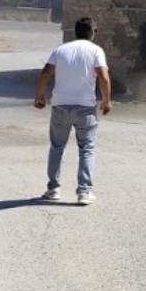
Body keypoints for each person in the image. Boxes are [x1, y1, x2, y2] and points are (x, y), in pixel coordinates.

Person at [35, 17, 112, 205]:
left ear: (75, 32)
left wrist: (40, 96)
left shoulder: (60, 50)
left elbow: (45, 73)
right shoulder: (96, 51)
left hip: (60, 106)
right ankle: (84, 192)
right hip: (85, 108)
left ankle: (53, 189)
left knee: (57, 147)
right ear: (93, 32)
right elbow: (103, 77)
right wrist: (106, 101)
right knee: (86, 148)